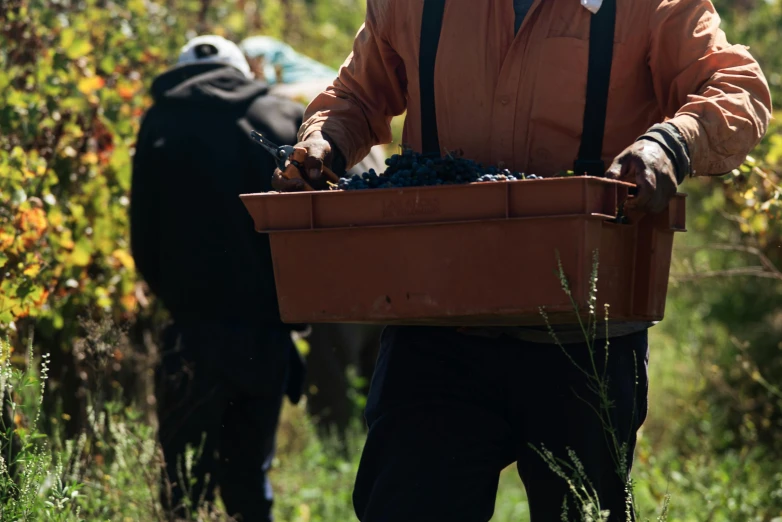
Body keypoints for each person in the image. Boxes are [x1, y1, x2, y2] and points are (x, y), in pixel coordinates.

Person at [273, 1, 772, 521]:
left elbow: (740, 89)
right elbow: (356, 95)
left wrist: (673, 142)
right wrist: (323, 141)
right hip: (436, 325)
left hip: (586, 338)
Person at [130, 35, 308, 521]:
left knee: (183, 488)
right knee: (249, 480)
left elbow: (142, 239)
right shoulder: (281, 117)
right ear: (239, 71)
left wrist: (179, 299)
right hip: (265, 335)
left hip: (190, 332)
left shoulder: (159, 121)